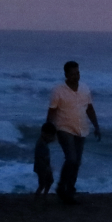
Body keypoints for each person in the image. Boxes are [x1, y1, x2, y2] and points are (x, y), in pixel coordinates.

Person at [45, 59, 101, 203]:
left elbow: (89, 108)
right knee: (71, 158)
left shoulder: (84, 88)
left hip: (82, 129)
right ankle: (61, 186)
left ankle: (69, 188)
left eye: (78, 73)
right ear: (66, 75)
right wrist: (48, 128)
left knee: (76, 162)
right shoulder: (58, 90)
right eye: (73, 74)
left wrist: (96, 126)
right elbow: (52, 110)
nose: (76, 76)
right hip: (64, 128)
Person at [33, 121, 56, 196]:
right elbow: (40, 157)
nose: (51, 138)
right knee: (42, 183)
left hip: (45, 166)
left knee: (49, 181)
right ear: (44, 133)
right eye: (50, 136)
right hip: (42, 167)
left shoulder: (43, 141)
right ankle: (38, 196)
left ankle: (44, 195)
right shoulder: (41, 143)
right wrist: (46, 167)